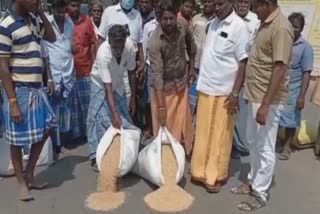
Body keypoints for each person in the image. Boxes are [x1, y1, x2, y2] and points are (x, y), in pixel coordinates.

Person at [231, 0, 294, 211]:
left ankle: (260, 193)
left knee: (265, 146)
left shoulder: (281, 27)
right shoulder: (264, 23)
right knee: (252, 140)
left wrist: (266, 104)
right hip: (255, 93)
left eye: (256, 6)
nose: (253, 10)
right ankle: (252, 181)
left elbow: (280, 68)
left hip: (268, 99)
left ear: (267, 4)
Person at [190, 0, 249, 193]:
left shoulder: (239, 27)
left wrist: (235, 92)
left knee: (220, 135)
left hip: (225, 92)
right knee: (203, 132)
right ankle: (199, 171)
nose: (216, 8)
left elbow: (243, 63)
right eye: (214, 4)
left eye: (220, 3)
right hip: (206, 88)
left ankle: (214, 176)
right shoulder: (212, 23)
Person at [0, 0, 56, 201]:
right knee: (16, 138)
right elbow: (3, 67)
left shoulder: (33, 19)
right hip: (19, 91)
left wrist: (40, 13)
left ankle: (30, 173)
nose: (37, 1)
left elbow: (52, 37)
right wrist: (12, 101)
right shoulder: (6, 24)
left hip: (36, 89)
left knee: (48, 127)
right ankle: (21, 183)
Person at [87, 25, 137, 171]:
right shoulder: (103, 53)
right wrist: (114, 115)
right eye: (115, 47)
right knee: (98, 117)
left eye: (120, 46)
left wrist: (133, 97)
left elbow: (132, 72)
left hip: (118, 82)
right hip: (100, 83)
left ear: (124, 42)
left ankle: (126, 151)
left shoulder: (130, 48)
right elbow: (107, 88)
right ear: (109, 42)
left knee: (124, 116)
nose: (118, 50)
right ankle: (98, 155)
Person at [149, 0, 196, 156]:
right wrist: (161, 107)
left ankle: (182, 152)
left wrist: (191, 69)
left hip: (181, 83)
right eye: (165, 19)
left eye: (171, 18)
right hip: (164, 89)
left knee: (183, 121)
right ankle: (166, 156)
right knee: (164, 124)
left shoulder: (183, 26)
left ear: (176, 16)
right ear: (159, 19)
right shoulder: (155, 40)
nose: (169, 22)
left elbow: (191, 46)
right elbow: (157, 75)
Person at [98, 0, 144, 116]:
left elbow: (139, 42)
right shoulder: (109, 12)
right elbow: (101, 39)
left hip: (128, 67)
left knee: (126, 104)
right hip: (109, 66)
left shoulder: (137, 15)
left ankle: (122, 129)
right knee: (106, 106)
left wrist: (142, 62)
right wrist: (100, 62)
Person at [277, 13, 313, 160]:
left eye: (296, 27)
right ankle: (274, 142)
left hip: (294, 89)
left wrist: (301, 96)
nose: (293, 29)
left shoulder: (306, 48)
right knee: (276, 117)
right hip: (278, 87)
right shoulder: (282, 41)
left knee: (291, 119)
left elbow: (306, 73)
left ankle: (287, 147)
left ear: (302, 28)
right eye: (291, 26)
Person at [232, 0, 260, 159]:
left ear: (249, 4)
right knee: (229, 110)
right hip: (230, 71)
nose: (242, 5)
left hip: (247, 72)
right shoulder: (231, 18)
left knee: (242, 113)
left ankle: (241, 145)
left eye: (245, 2)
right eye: (239, 2)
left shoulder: (256, 22)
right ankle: (231, 144)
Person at [46, 0, 75, 150]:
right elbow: (45, 52)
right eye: (57, 7)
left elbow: (70, 47)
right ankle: (55, 144)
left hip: (68, 73)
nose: (60, 10)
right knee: (53, 111)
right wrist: (49, 76)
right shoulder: (46, 24)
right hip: (54, 73)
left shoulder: (70, 24)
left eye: (62, 7)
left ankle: (65, 139)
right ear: (52, 8)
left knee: (67, 110)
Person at [68, 0, 96, 141]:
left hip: (85, 69)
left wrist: (93, 64)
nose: (75, 8)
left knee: (86, 105)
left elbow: (92, 43)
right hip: (67, 72)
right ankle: (75, 135)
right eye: (72, 5)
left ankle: (88, 134)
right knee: (73, 107)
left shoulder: (87, 22)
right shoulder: (63, 21)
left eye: (77, 6)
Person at [189, 0, 215, 119]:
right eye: (206, 2)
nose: (207, 4)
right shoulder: (195, 19)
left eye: (210, 2)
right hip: (194, 67)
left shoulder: (218, 22)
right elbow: (188, 41)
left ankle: (197, 126)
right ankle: (188, 127)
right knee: (191, 100)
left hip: (209, 70)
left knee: (204, 101)